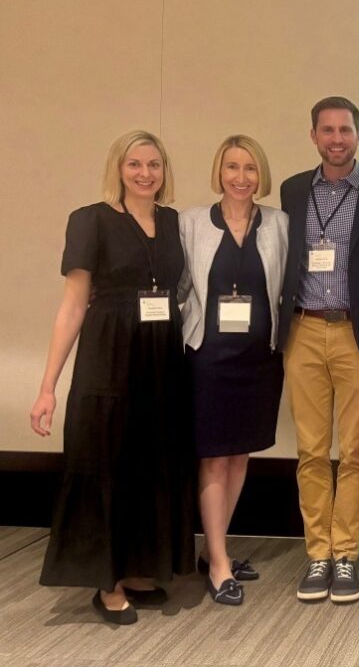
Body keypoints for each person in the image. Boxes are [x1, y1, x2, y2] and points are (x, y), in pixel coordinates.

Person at [29, 130, 195, 625]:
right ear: (117, 169)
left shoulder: (172, 223)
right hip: (109, 355)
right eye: (135, 164)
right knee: (107, 461)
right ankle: (109, 580)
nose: (145, 173)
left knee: (151, 462)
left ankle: (141, 566)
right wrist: (47, 387)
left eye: (155, 165)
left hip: (161, 358)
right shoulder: (90, 220)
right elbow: (72, 307)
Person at [278, 97, 359, 603]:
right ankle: (317, 555)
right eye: (326, 130)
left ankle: (345, 554)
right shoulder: (290, 191)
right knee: (310, 450)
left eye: (345, 129)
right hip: (303, 331)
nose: (336, 138)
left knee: (354, 451)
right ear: (312, 135)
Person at [178, 135, 288, 606]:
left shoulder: (280, 224)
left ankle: (216, 549)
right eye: (232, 167)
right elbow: (180, 287)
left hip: (259, 361)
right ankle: (218, 561)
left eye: (249, 168)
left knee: (241, 455)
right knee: (213, 456)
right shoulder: (191, 223)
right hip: (209, 359)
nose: (241, 177)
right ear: (218, 172)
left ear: (260, 174)